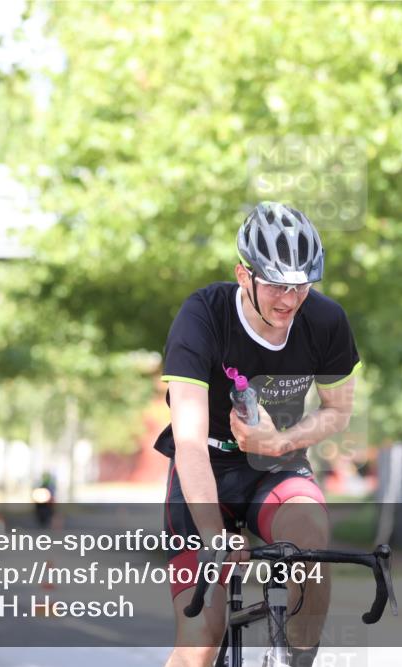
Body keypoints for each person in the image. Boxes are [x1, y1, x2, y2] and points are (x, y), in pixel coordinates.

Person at [155, 202, 361, 667]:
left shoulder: (327, 322)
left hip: (277, 466)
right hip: (206, 467)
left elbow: (338, 411)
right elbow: (188, 442)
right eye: (274, 285)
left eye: (301, 285)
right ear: (243, 274)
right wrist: (213, 535)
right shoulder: (202, 316)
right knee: (201, 637)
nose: (288, 299)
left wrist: (280, 443)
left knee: (311, 538)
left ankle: (297, 660)